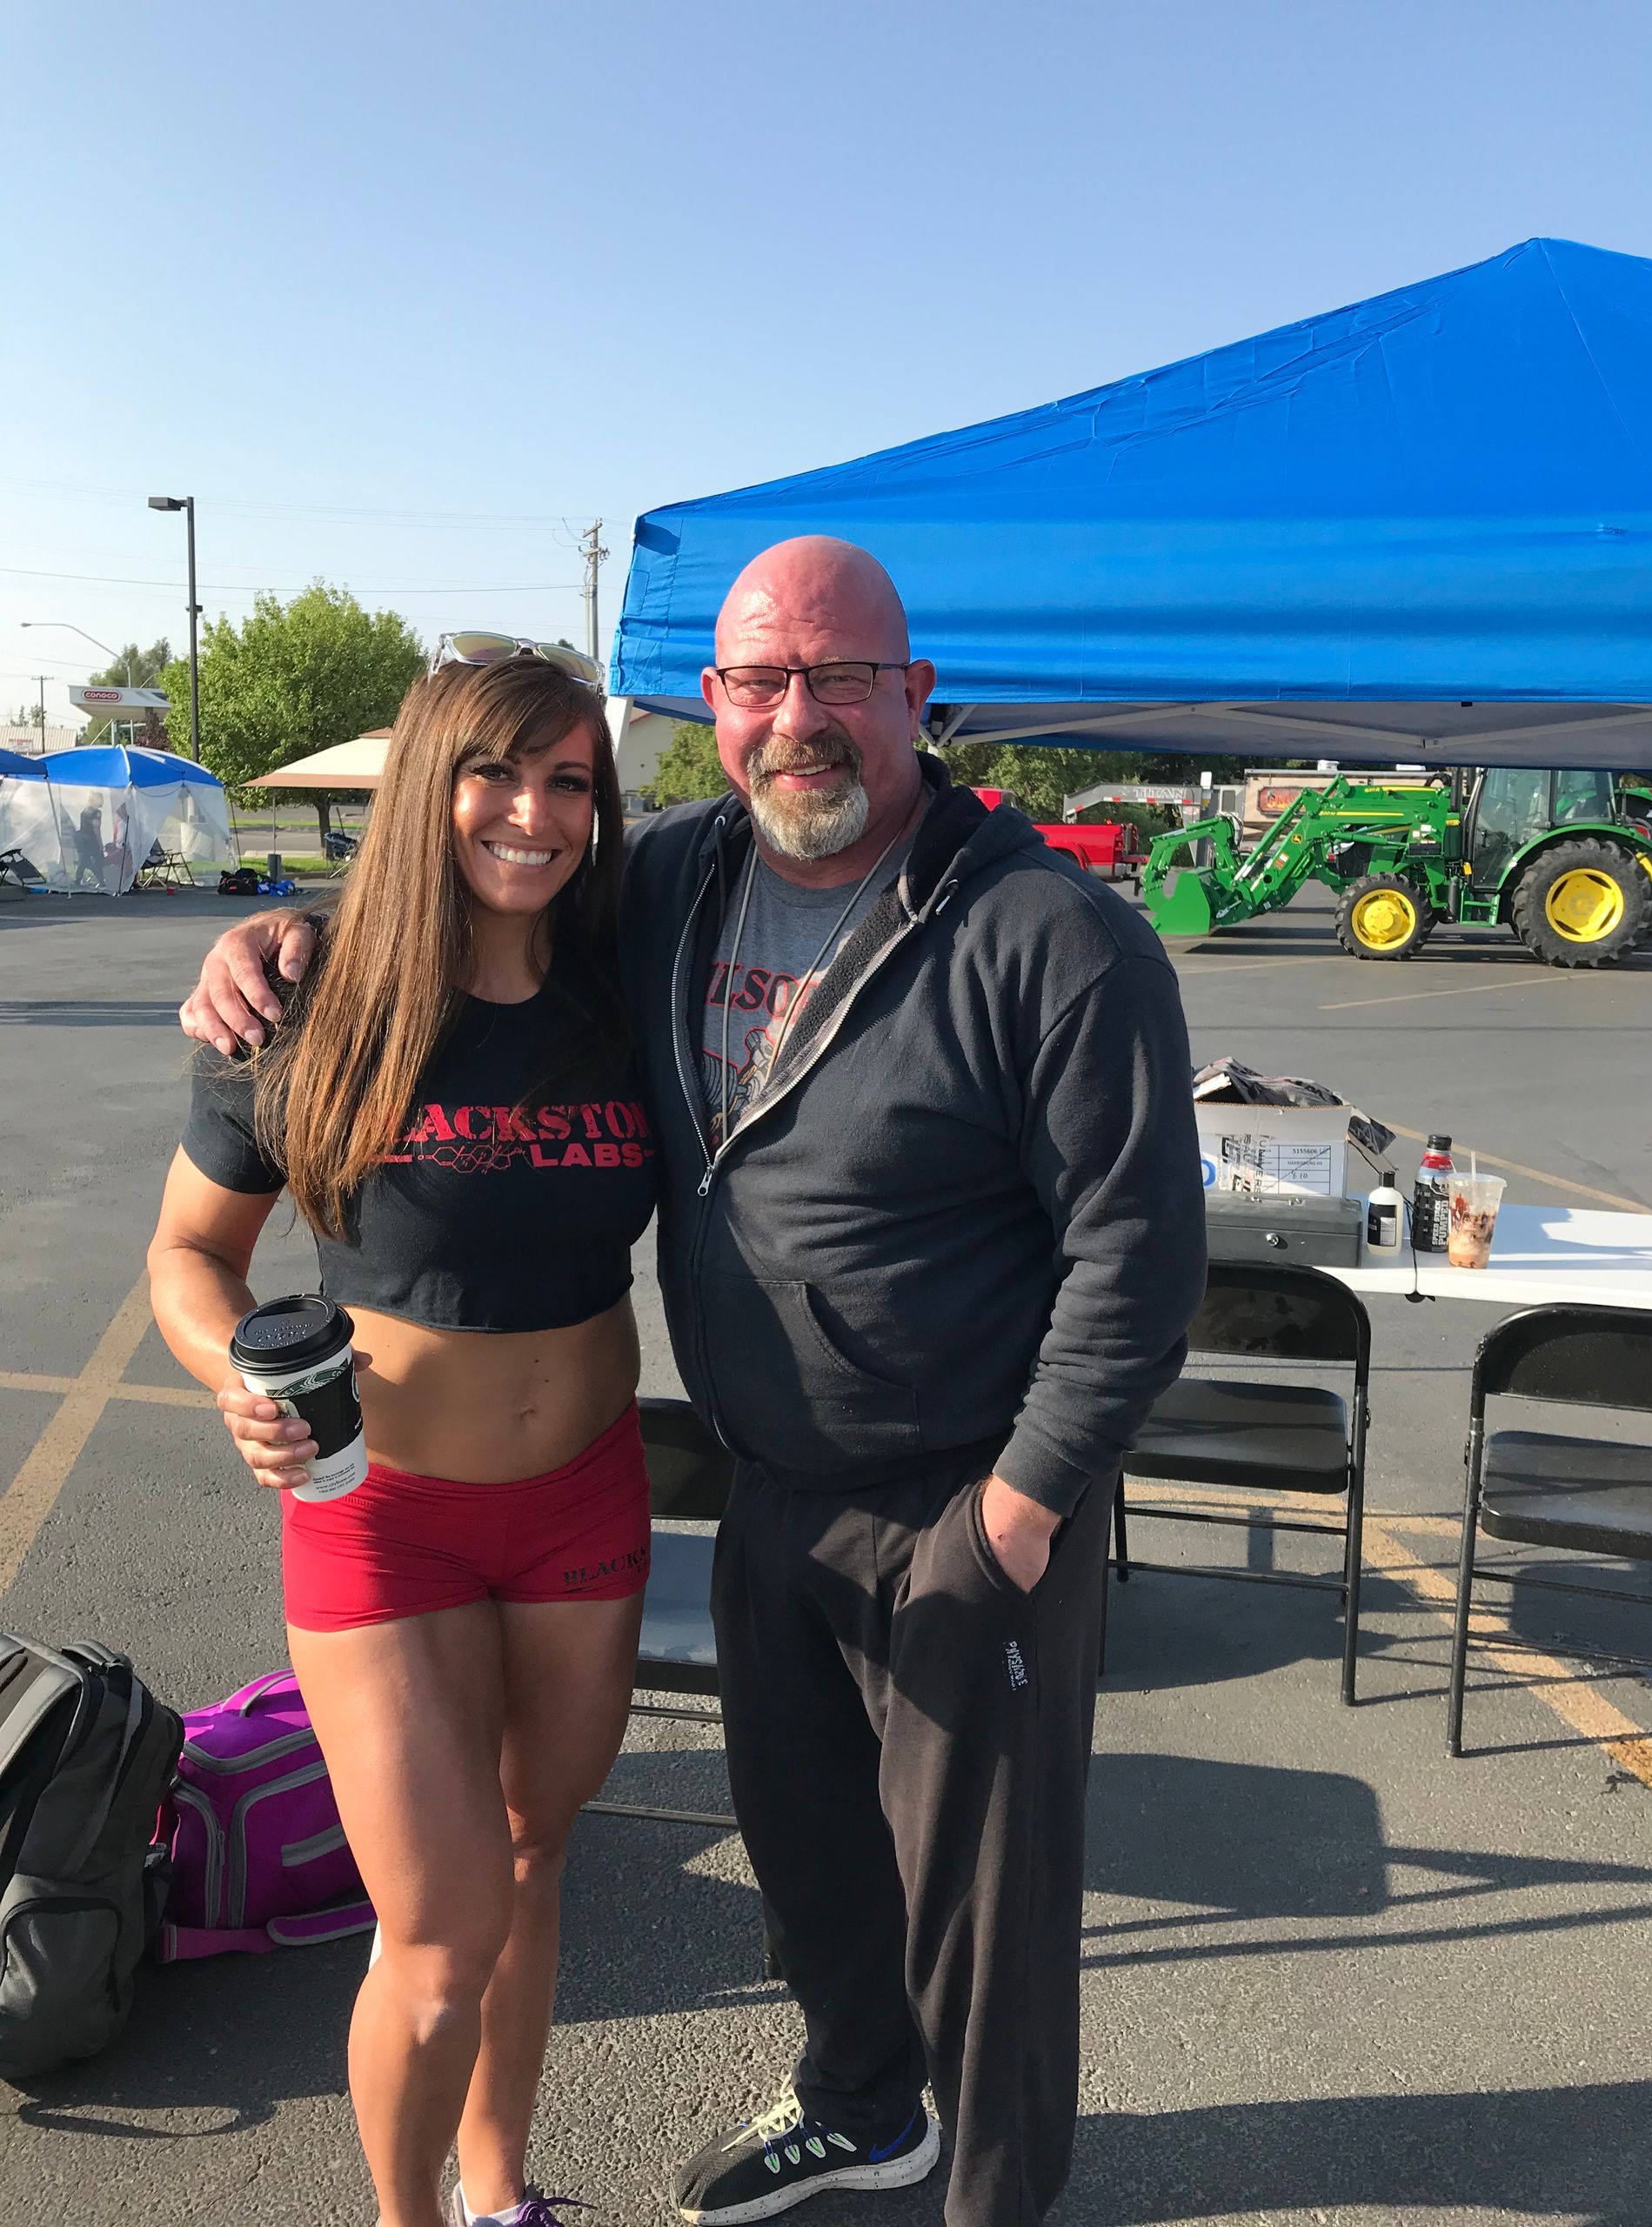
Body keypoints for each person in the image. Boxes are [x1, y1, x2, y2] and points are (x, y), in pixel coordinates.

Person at [179, 538, 1207, 2227]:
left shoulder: (1053, 935)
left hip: (966, 1500)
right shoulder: (664, 882)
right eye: (759, 682)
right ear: (712, 705)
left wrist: (1018, 1512)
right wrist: (277, 939)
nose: (798, 718)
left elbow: (1139, 1261)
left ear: (914, 695)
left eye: (840, 679)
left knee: (987, 1918)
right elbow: (460, 888)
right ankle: (866, 2107)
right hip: (759, 1487)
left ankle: (997, 2196)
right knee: (808, 1863)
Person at [151, 652, 658, 2227]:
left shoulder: (623, 980)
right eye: (498, 774)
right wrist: (237, 1370)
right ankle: (408, 2217)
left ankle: (503, 2193)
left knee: (535, 1858)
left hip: (584, 1498)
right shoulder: (294, 1006)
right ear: (428, 780)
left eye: (571, 780)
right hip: (383, 1514)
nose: (534, 813)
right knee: (437, 1928)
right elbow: (187, 1254)